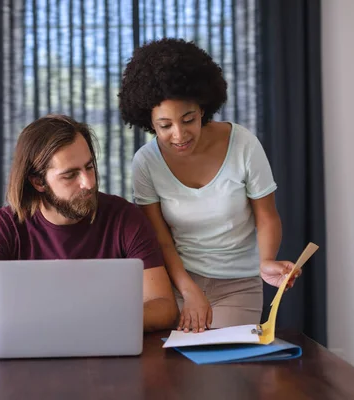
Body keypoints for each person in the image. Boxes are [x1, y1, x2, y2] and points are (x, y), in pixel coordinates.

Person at [118, 38, 300, 333]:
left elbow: (266, 215)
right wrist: (189, 291)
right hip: (177, 282)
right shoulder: (145, 163)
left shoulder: (242, 144)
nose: (179, 135)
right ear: (150, 123)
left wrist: (266, 261)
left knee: (223, 374)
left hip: (238, 284)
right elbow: (160, 239)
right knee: (171, 372)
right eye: (165, 126)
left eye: (188, 119)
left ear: (202, 108)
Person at [0, 115, 178, 335]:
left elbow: (164, 307)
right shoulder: (6, 227)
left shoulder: (125, 218)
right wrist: (42, 324)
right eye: (70, 175)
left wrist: (89, 321)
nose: (88, 183)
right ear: (38, 182)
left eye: (89, 167)